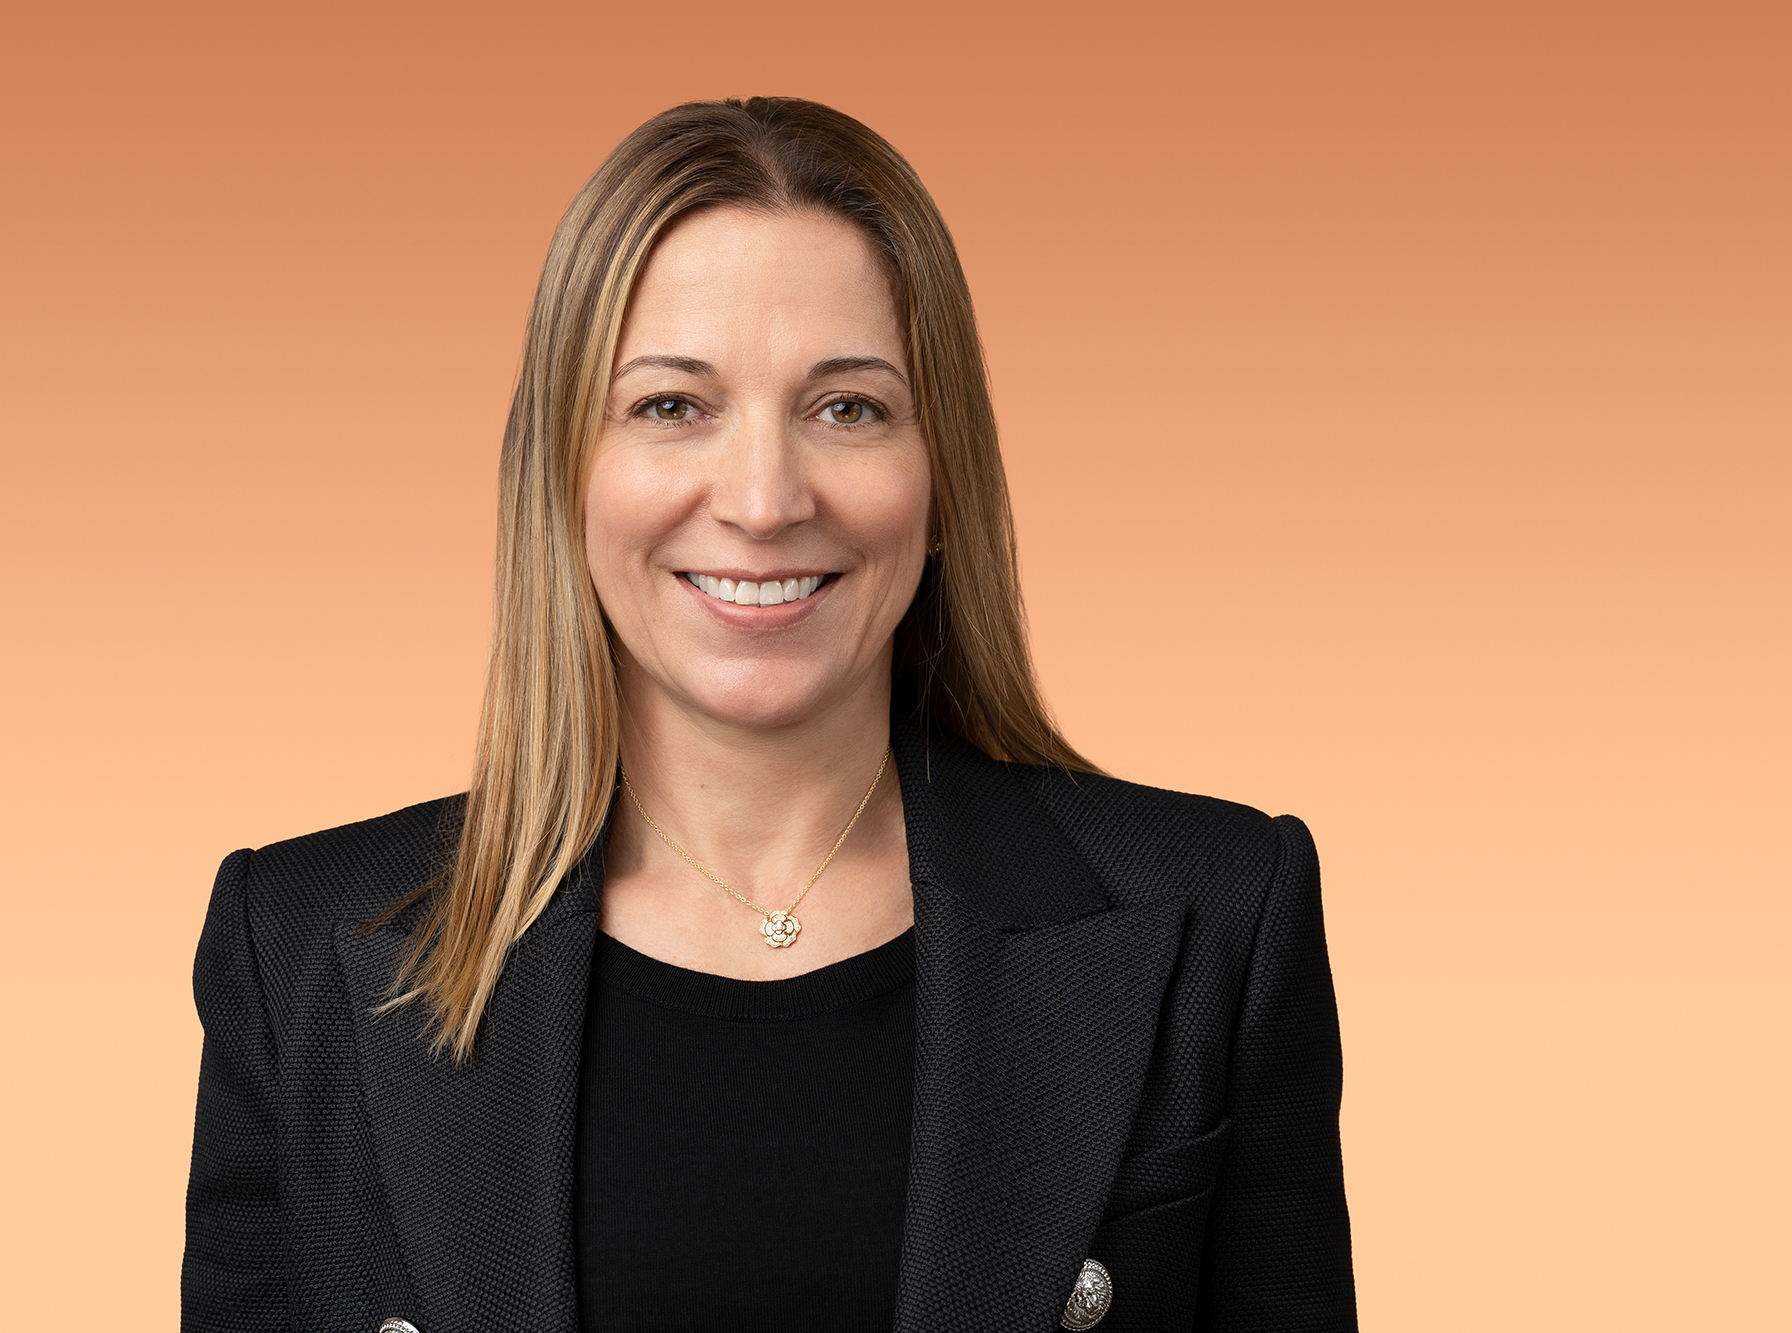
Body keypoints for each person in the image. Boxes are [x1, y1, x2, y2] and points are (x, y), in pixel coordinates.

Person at [183, 96, 1355, 1333]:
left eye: (845, 406)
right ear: (560, 472)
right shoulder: (299, 948)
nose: (761, 498)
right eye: (671, 407)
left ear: (940, 466)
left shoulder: (1217, 915)